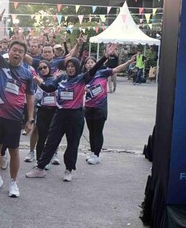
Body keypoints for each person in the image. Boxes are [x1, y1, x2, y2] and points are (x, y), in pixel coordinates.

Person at [25, 43, 117, 182]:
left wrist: (105, 57)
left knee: (72, 144)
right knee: (51, 142)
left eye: (73, 66)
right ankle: (40, 168)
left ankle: (68, 170)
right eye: (68, 66)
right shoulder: (61, 78)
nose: (70, 68)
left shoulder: (82, 78)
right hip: (60, 115)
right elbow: (49, 89)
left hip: (75, 116)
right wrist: (40, 83)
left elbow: (94, 69)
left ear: (77, 67)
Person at [0, 10, 35, 197]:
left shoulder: (27, 74)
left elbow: (30, 97)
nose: (17, 53)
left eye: (21, 51)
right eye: (14, 50)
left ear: (24, 55)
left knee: (14, 150)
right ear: (9, 51)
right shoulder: (1, 64)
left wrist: (30, 119)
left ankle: (13, 183)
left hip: (15, 118)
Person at [83, 52, 136, 164]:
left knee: (98, 131)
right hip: (88, 107)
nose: (90, 64)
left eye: (92, 62)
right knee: (91, 132)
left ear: (96, 63)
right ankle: (92, 152)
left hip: (100, 108)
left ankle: (97, 155)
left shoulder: (103, 73)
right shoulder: (84, 77)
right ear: (85, 65)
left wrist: (129, 62)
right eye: (88, 63)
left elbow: (117, 69)